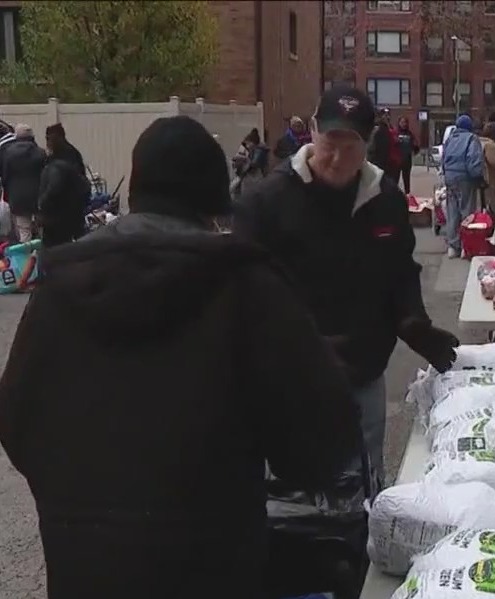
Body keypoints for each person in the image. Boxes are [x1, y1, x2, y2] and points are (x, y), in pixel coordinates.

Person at [0, 115, 363, 599]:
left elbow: (18, 419)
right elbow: (323, 436)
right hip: (213, 562)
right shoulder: (244, 285)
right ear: (215, 198)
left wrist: (79, 495)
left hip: (85, 565)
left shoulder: (60, 287)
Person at [234, 85, 459, 488]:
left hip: (362, 371)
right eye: (330, 143)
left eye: (351, 146)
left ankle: (362, 547)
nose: (338, 159)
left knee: (364, 483)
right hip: (290, 380)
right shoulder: (266, 202)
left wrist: (413, 321)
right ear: (313, 131)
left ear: (369, 141)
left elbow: (399, 271)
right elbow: (245, 295)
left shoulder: (385, 200)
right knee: (290, 493)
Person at [439, 114, 485, 258]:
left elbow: (443, 158)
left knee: (452, 212)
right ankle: (467, 245)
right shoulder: (472, 139)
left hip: (450, 178)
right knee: (467, 212)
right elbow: (473, 159)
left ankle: (453, 246)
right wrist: (478, 177)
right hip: (465, 178)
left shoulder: (450, 139)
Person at [38, 129, 91, 247]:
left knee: (56, 246)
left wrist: (42, 203)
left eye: (48, 138)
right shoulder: (71, 154)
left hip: (58, 213)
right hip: (72, 210)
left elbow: (55, 187)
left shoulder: (58, 162)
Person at [0, 125, 47, 243]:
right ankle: (43, 254)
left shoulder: (8, 154)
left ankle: (26, 257)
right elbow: (46, 174)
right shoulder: (40, 153)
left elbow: (5, 175)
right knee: (42, 227)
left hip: (17, 197)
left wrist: (8, 193)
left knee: (24, 230)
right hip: (38, 196)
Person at [231, 128, 270, 199]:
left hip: (252, 178)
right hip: (250, 178)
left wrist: (244, 160)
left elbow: (254, 164)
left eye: (249, 143)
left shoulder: (259, 151)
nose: (247, 146)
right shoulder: (253, 150)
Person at [395, 116, 420, 194]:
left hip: (407, 160)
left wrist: (414, 150)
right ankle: (393, 195)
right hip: (397, 160)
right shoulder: (396, 133)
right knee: (395, 179)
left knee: (406, 179)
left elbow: (415, 145)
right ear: (399, 123)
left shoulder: (409, 134)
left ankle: (407, 194)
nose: (404, 124)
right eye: (402, 122)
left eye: (405, 122)